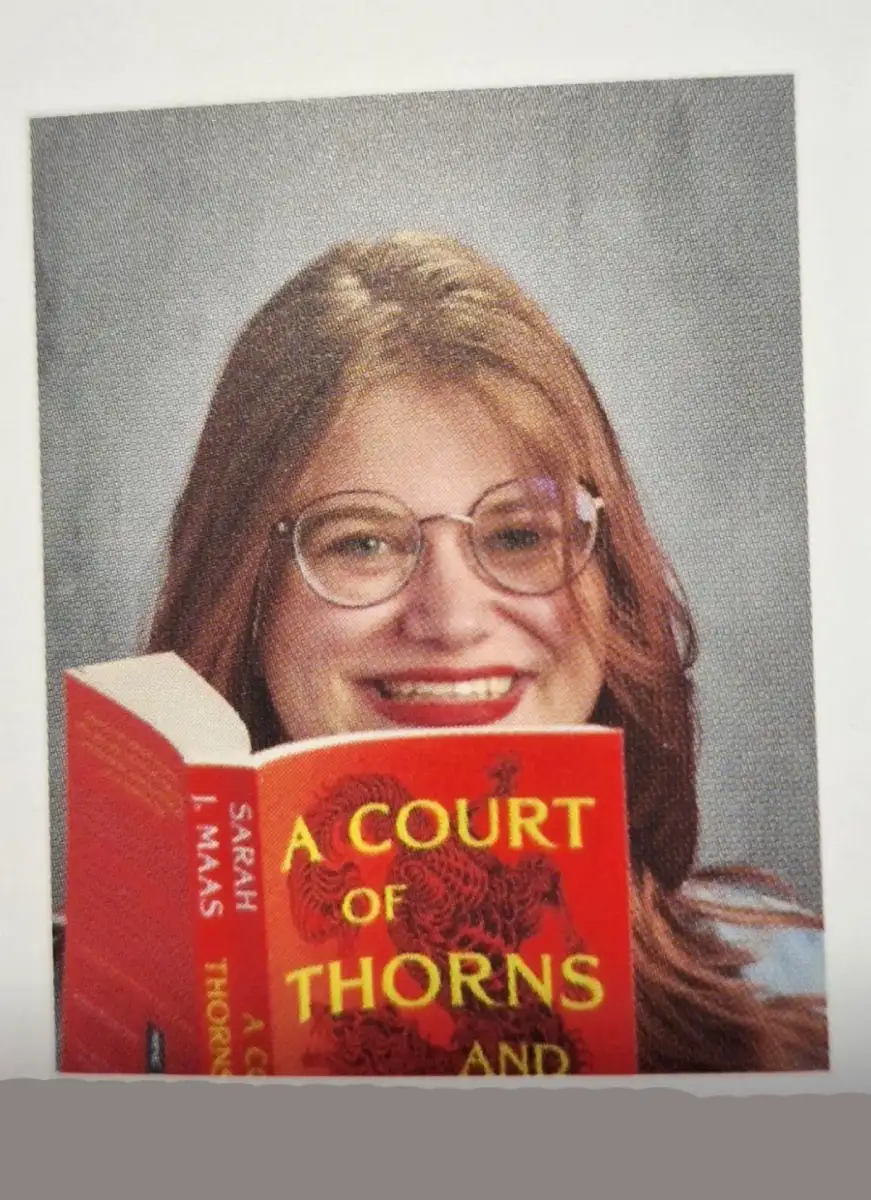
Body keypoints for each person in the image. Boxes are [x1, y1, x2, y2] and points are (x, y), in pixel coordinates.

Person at [147, 231, 827, 1073]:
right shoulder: (108, 1018)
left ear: (605, 579)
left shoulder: (807, 996)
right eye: (361, 543)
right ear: (244, 597)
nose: (451, 619)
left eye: (514, 534)